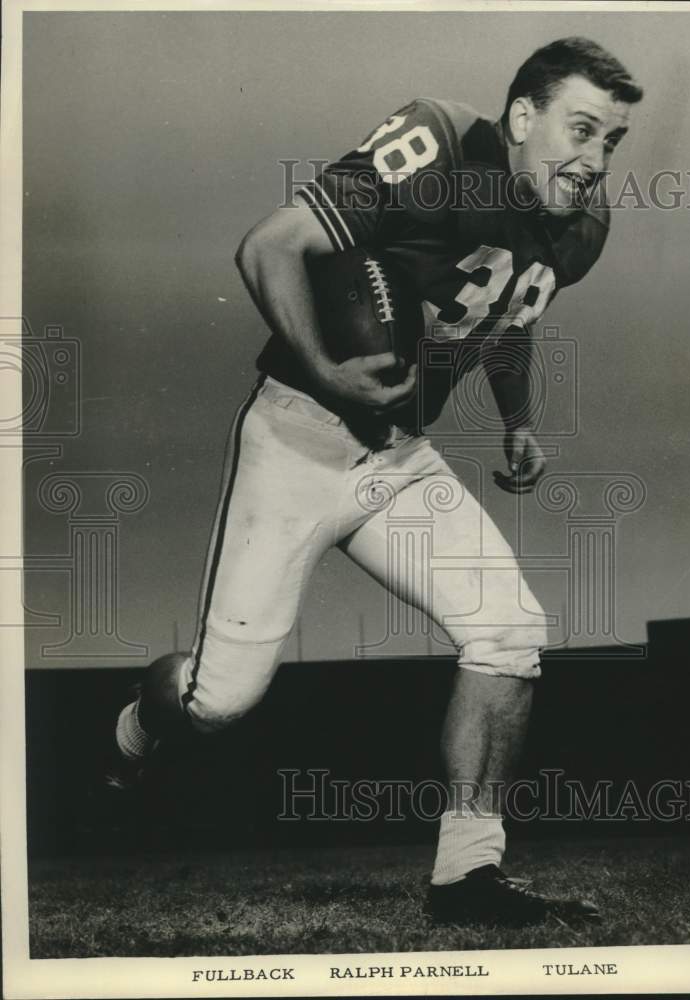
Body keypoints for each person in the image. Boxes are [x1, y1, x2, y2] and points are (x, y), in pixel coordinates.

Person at [105, 36, 642, 926]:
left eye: (611, 143)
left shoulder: (577, 228)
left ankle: (467, 875)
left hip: (396, 457)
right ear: (520, 117)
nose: (592, 162)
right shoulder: (433, 138)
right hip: (300, 437)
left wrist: (516, 420)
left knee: (509, 630)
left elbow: (509, 314)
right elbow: (268, 246)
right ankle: (136, 724)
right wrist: (326, 367)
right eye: (579, 130)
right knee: (217, 704)